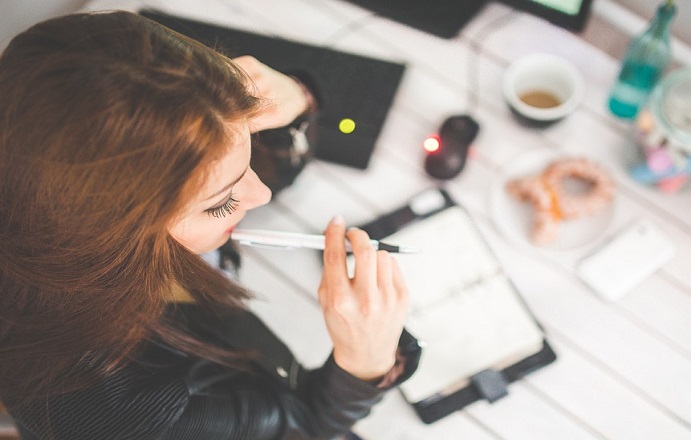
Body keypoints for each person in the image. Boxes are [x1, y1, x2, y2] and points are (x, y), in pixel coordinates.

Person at [0, 11, 420, 440]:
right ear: (115, 235)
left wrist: (295, 101)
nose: (262, 196)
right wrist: (364, 365)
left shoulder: (47, 184)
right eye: (220, 204)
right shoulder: (122, 412)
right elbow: (305, 427)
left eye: (248, 147)